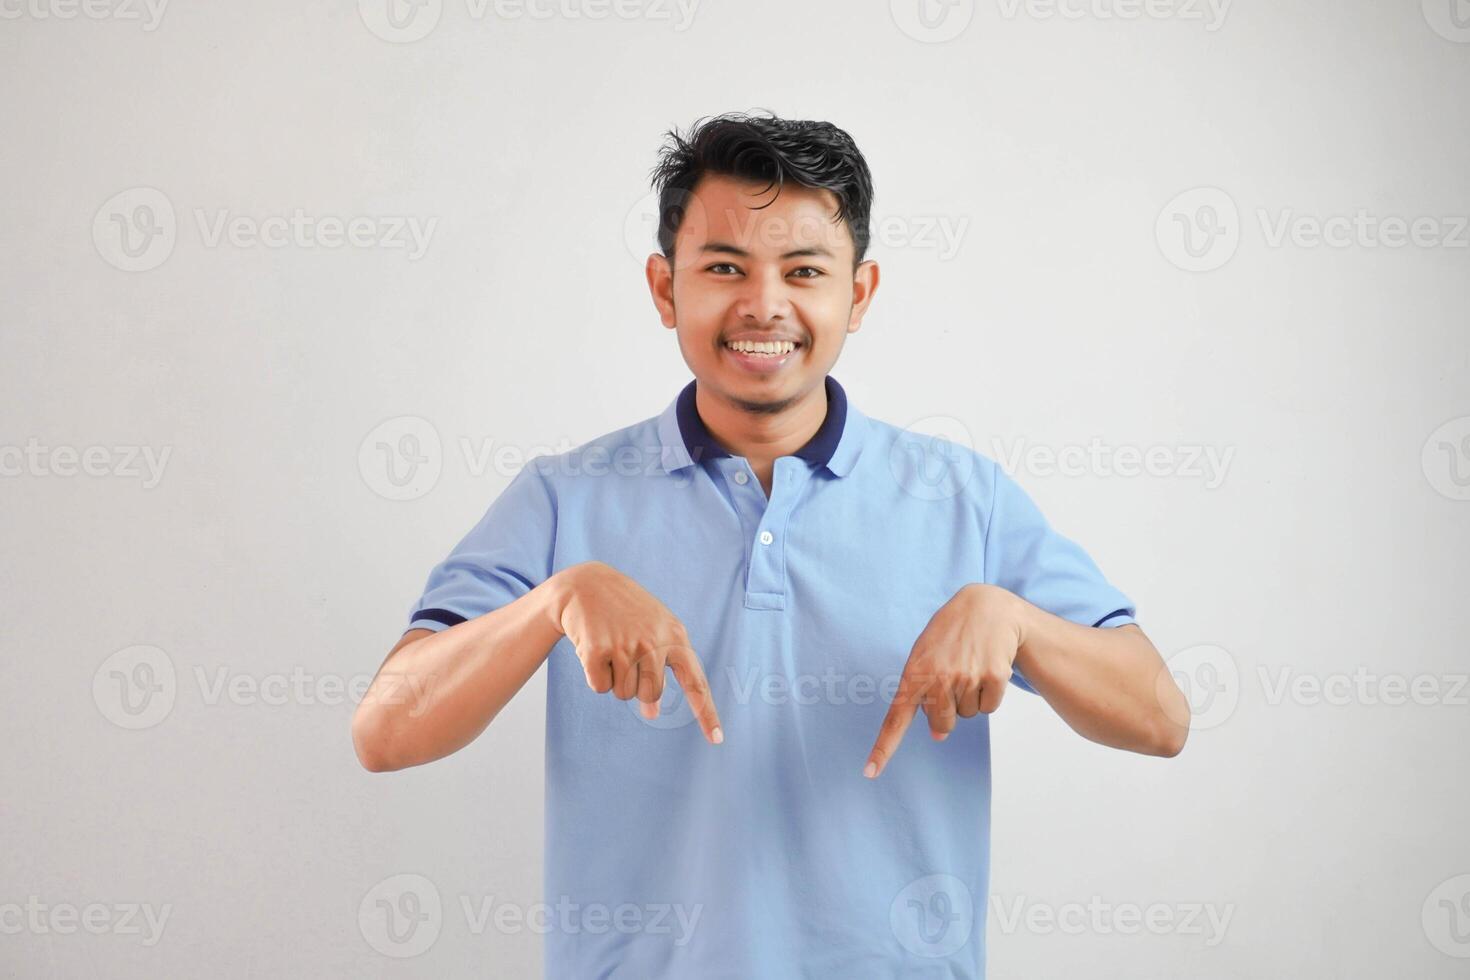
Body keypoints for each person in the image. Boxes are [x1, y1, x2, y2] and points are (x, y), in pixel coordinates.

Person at [352, 109, 1190, 979]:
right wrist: (552, 603)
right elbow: (384, 733)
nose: (764, 305)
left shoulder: (963, 500)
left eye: (803, 271)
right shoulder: (563, 499)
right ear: (663, 287)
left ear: (857, 295)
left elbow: (1160, 718)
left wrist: (1017, 620)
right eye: (723, 267)